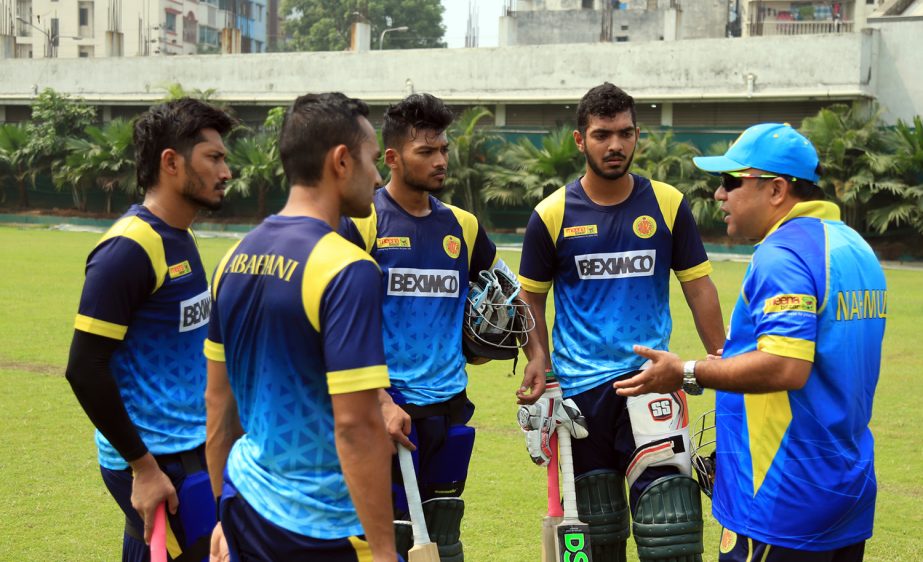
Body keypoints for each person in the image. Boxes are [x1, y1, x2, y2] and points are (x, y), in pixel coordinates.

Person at [615, 123, 886, 562]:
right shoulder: (853, 247)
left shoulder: (783, 255)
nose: (719, 195)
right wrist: (739, 358)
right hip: (845, 486)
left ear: (776, 189)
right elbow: (825, 354)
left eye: (730, 182)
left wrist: (685, 372)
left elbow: (785, 367)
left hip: (782, 497)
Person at [517, 82, 725, 562]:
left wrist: (723, 362)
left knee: (670, 526)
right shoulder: (551, 214)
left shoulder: (668, 204)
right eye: (603, 134)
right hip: (580, 394)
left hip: (652, 382)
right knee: (595, 532)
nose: (615, 145)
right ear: (579, 140)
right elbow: (531, 297)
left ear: (637, 136)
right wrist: (538, 359)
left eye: (625, 133)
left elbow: (699, 286)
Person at [203, 92, 399, 562]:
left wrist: (220, 517)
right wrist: (386, 552)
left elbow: (217, 403)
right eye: (372, 161)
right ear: (340, 161)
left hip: (245, 503)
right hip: (317, 527)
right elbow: (357, 426)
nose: (377, 177)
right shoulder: (347, 268)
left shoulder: (233, 258)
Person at [339, 93, 531, 562]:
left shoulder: (462, 226)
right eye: (426, 151)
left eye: (444, 149)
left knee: (444, 538)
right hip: (386, 409)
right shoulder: (361, 225)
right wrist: (379, 401)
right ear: (392, 158)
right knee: (393, 539)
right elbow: (336, 328)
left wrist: (536, 361)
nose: (440, 160)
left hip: (449, 404)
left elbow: (512, 293)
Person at [65, 98, 235, 562]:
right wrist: (142, 468)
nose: (227, 172)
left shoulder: (178, 234)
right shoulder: (128, 249)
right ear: (171, 162)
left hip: (186, 448)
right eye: (214, 158)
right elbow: (84, 368)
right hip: (155, 458)